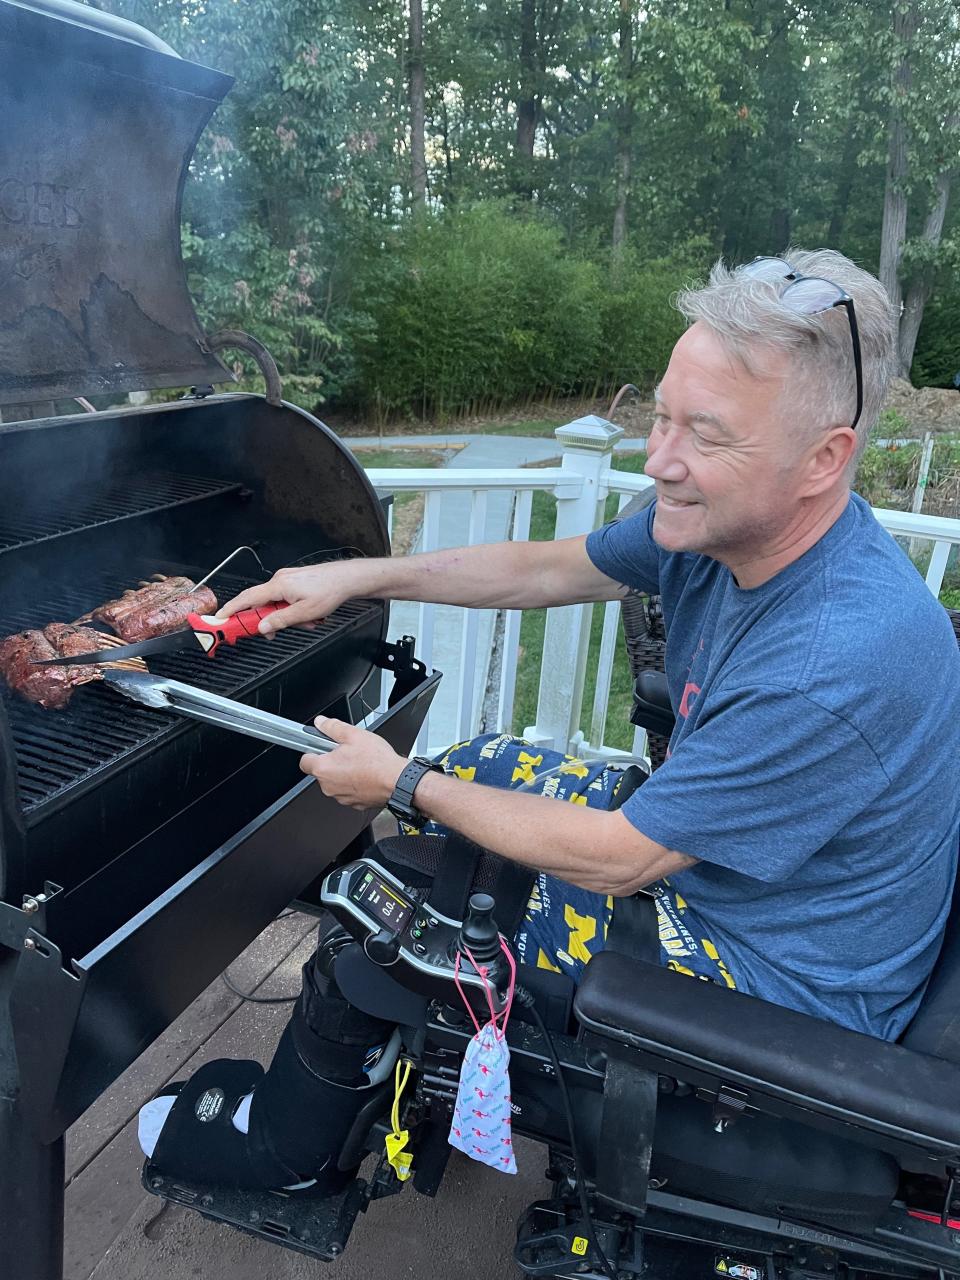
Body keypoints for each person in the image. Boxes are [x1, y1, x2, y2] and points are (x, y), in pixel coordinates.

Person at [138, 248, 960, 1194]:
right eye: (660, 415)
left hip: (781, 985)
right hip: (750, 886)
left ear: (825, 458)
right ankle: (418, 1076)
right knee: (475, 765)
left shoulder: (833, 656)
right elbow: (546, 569)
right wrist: (353, 577)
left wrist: (400, 782)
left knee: (385, 911)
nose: (661, 461)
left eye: (707, 434)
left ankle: (281, 1152)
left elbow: (621, 857)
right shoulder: (725, 522)